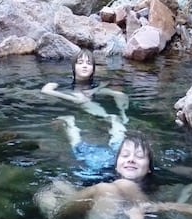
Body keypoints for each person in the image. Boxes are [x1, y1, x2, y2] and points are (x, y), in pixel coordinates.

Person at [35, 132, 154, 219]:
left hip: (117, 213)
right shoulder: (102, 177)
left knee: (115, 187)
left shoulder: (157, 186)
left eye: (139, 156)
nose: (131, 159)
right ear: (116, 166)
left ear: (149, 168)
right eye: (125, 155)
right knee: (57, 186)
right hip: (77, 208)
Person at [41, 49, 130, 178]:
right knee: (90, 104)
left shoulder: (96, 84)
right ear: (73, 66)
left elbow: (113, 90)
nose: (84, 65)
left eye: (88, 63)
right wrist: (72, 98)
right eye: (80, 62)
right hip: (67, 105)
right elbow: (46, 90)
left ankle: (120, 132)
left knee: (116, 108)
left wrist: (121, 110)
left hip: (89, 106)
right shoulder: (61, 80)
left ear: (93, 68)